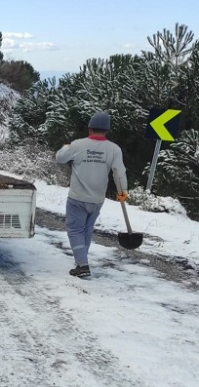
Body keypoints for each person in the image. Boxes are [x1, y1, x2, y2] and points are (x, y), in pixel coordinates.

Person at [55, 112, 128, 278]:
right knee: (86, 230)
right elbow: (119, 172)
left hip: (77, 197)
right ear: (106, 130)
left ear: (90, 128)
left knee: (75, 230)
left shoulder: (78, 145)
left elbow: (60, 158)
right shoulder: (114, 149)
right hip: (97, 199)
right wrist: (122, 191)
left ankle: (82, 265)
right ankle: (82, 259)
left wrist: (66, 147)